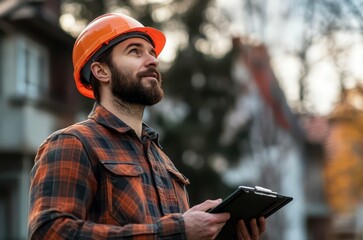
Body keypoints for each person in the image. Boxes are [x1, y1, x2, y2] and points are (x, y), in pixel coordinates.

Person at [28, 13, 266, 239]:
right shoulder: (73, 143)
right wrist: (177, 232)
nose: (153, 60)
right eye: (135, 51)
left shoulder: (163, 162)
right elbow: (50, 233)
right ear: (101, 71)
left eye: (152, 53)